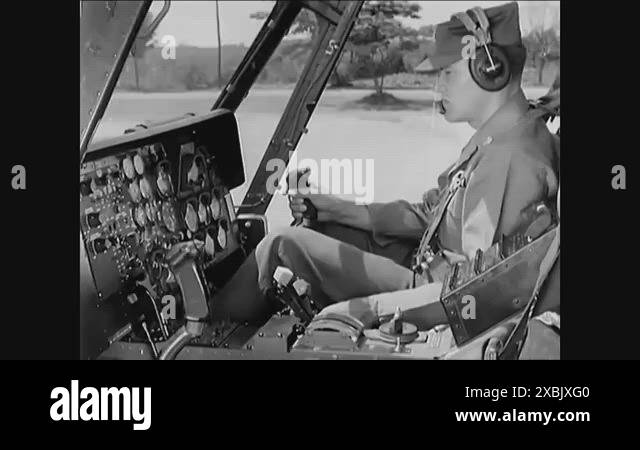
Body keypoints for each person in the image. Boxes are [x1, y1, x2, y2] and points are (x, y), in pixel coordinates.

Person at [212, 2, 559, 328]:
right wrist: (337, 210)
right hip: (426, 264)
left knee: (281, 244)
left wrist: (373, 310)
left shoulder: (509, 159)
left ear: (489, 70)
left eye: (448, 74)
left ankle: (202, 336)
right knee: (318, 230)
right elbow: (431, 212)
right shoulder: (501, 136)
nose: (438, 87)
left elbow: (470, 291)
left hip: (429, 289)